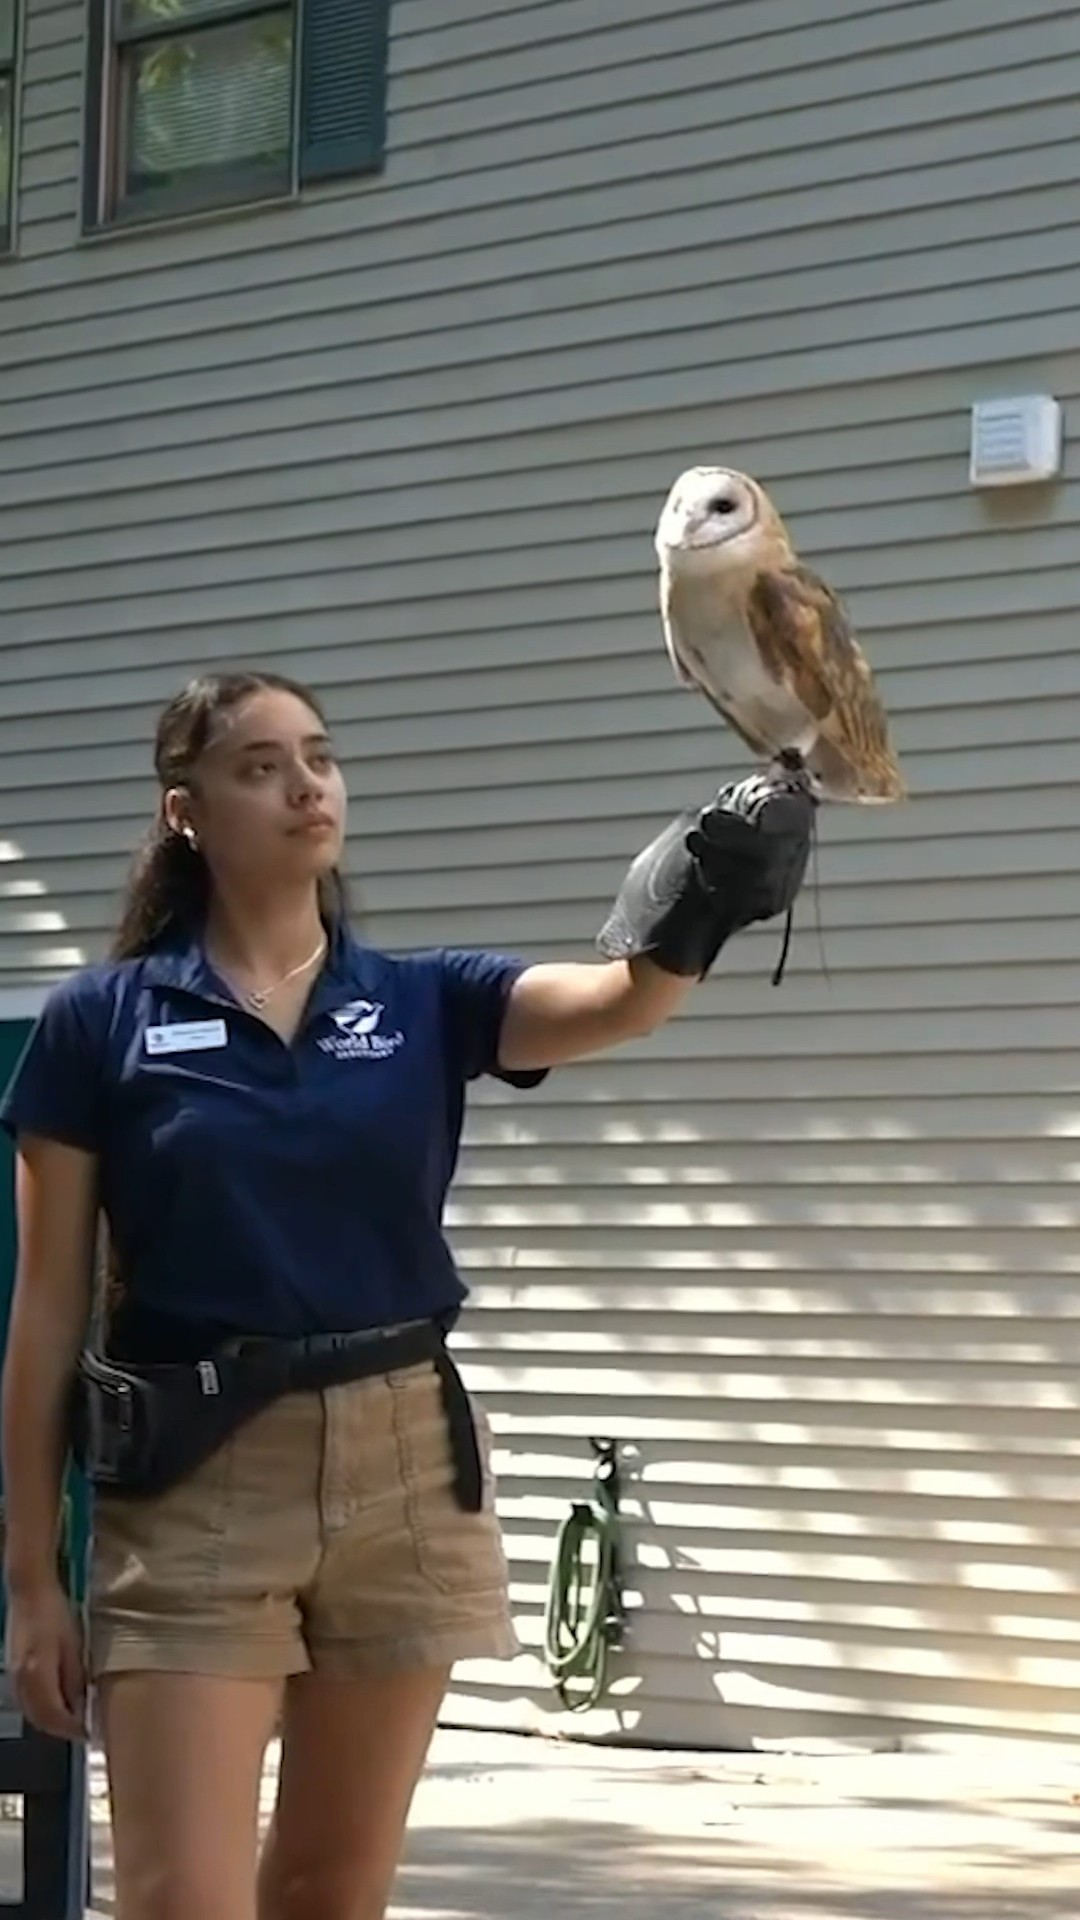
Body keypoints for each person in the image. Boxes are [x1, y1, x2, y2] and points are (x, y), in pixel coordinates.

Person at [0, 670, 812, 1920]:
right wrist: (33, 1581)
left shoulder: (423, 999)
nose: (305, 785)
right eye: (260, 765)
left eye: (318, 757)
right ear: (185, 813)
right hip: (196, 1476)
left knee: (333, 1890)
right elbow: (48, 1312)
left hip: (406, 1471)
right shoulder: (99, 1023)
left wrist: (705, 899)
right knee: (180, 1899)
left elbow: (623, 1000)